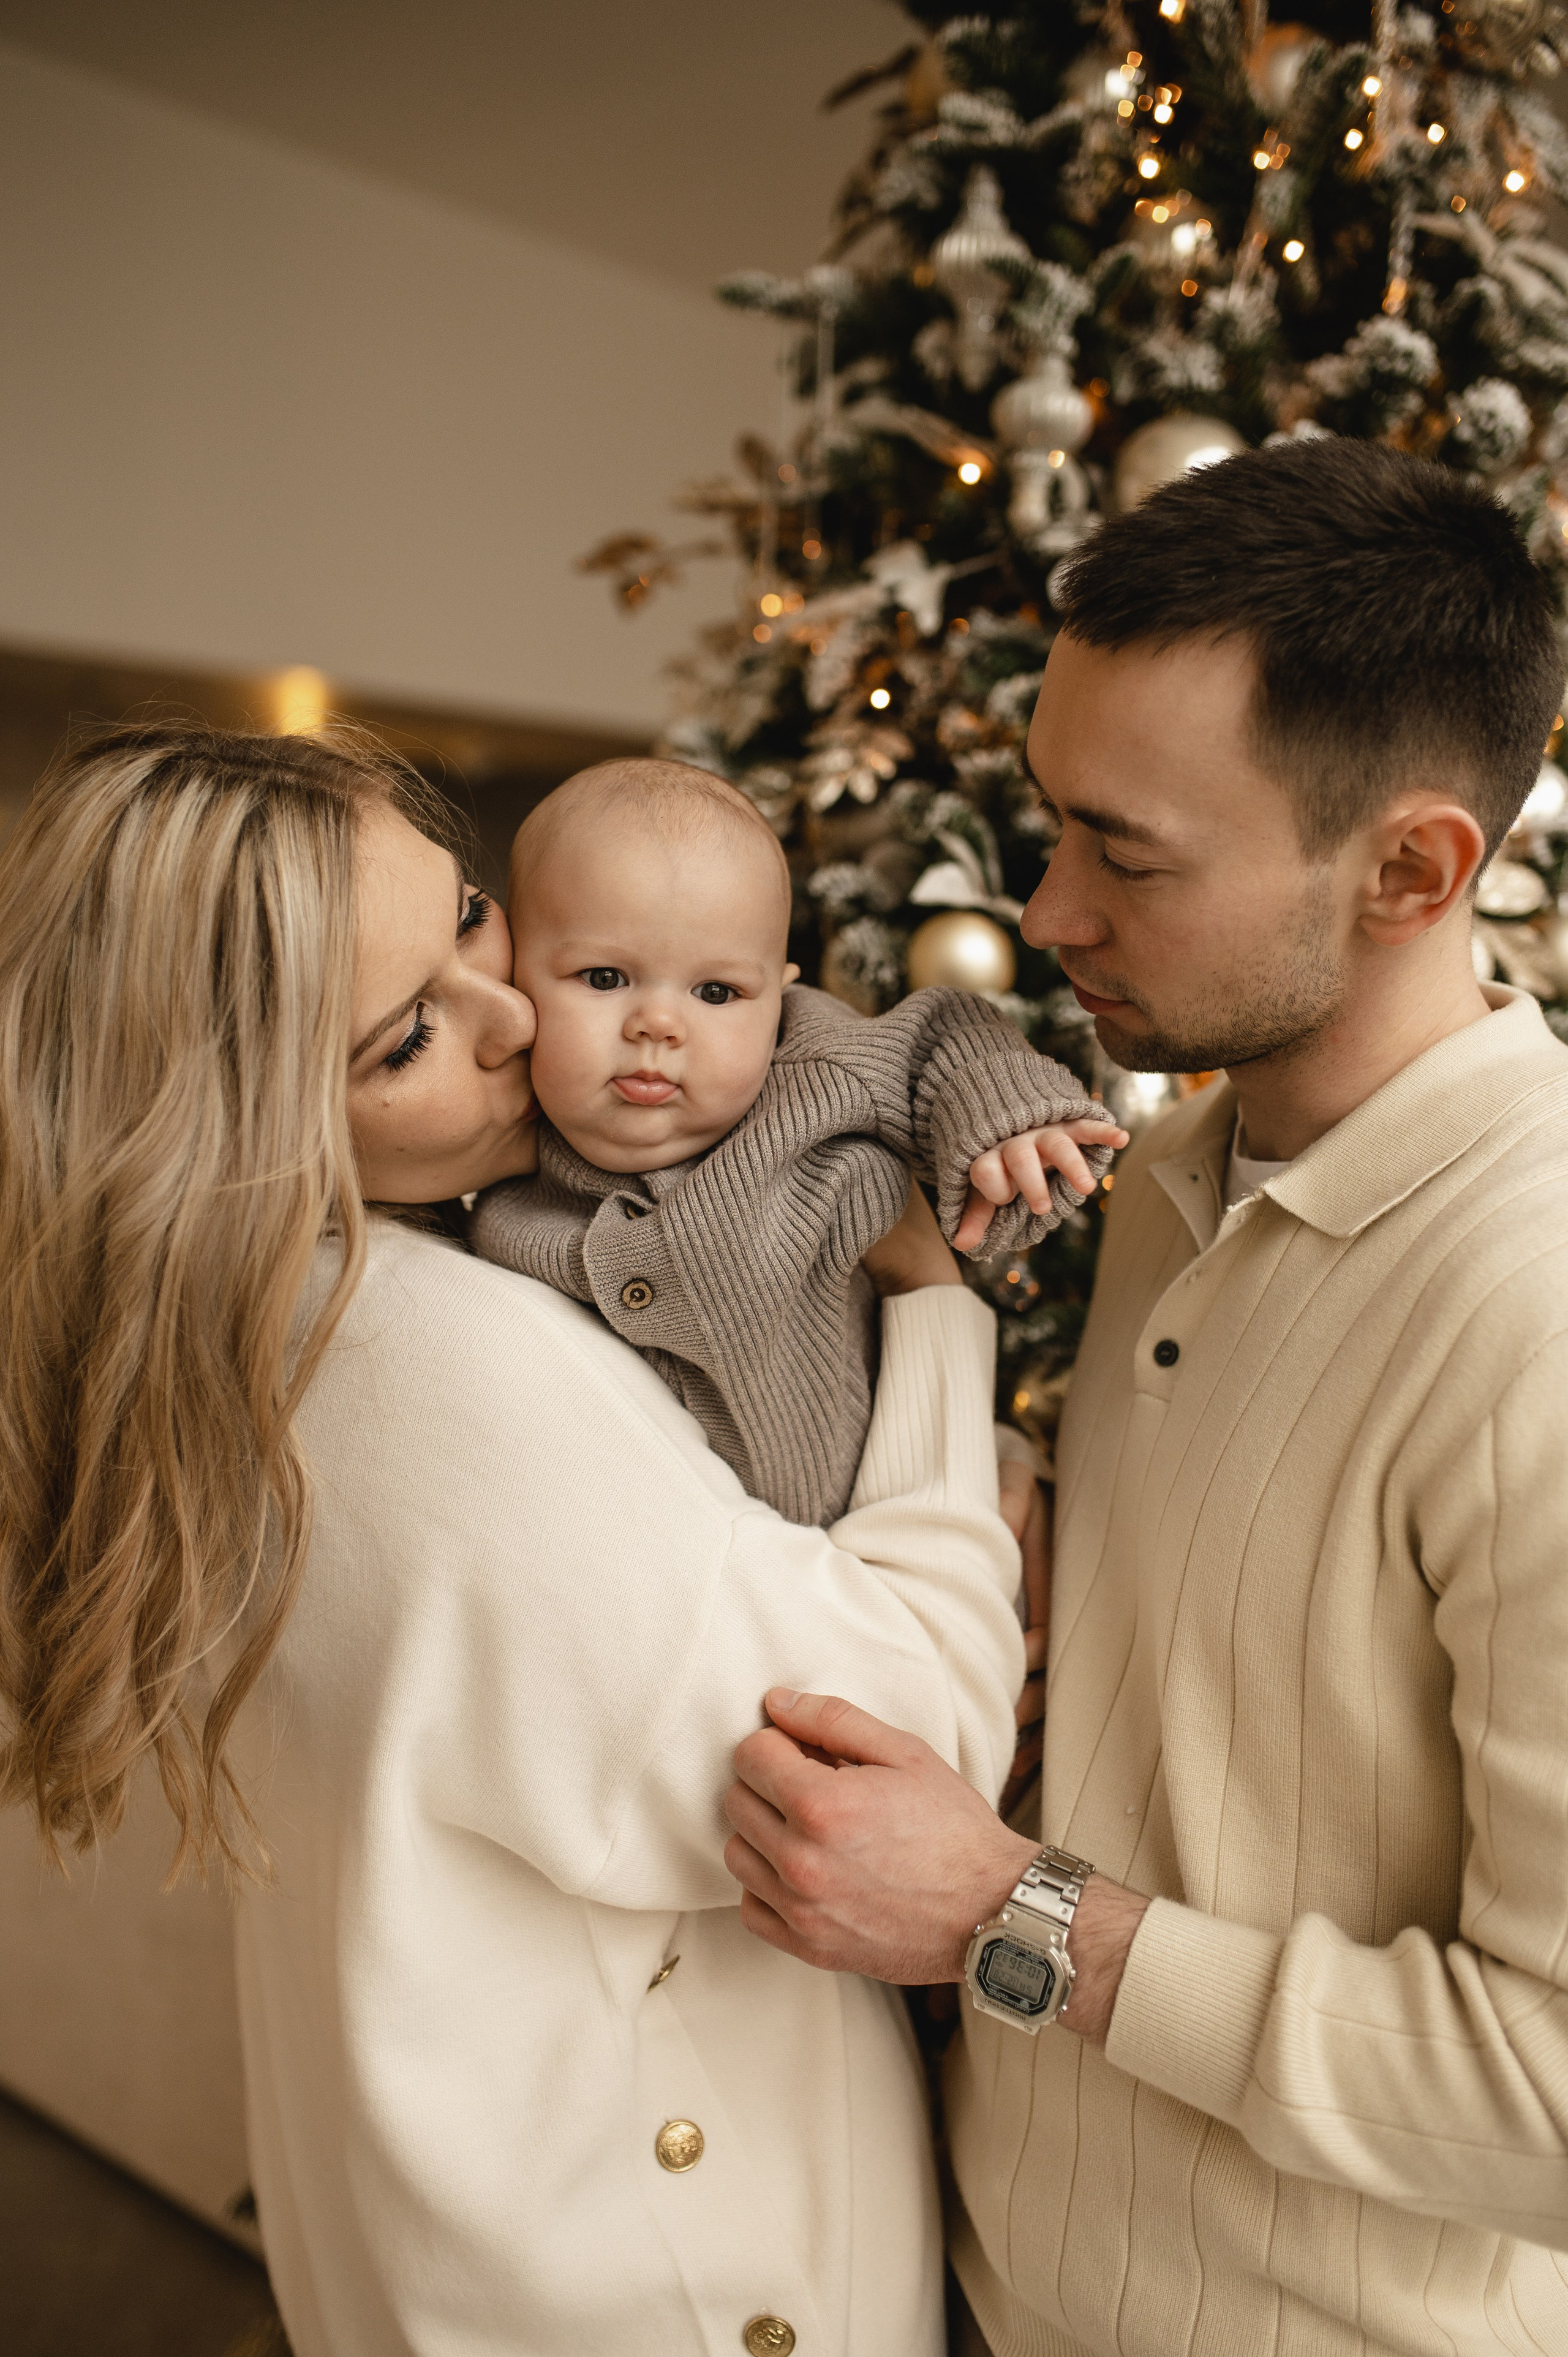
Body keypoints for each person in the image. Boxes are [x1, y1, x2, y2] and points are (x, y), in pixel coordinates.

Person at [0, 720, 1035, 2357]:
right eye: (407, 1035)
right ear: (241, 1116)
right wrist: (929, 1312)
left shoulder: (219, 1339)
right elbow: (896, 1757)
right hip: (664, 2293)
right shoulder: (428, 1367)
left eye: (470, 920)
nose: (520, 1020)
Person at [720, 438, 1568, 2355]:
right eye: (1051, 821)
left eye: (1127, 849)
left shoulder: (1541, 1306)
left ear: (1414, 867)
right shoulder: (1160, 1178)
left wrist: (1016, 1916)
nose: (1043, 906)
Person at [470, 756, 1125, 1525]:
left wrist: (1013, 1122)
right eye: (604, 977)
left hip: (882, 1536)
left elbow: (941, 1036)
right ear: (517, 982)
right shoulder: (499, 1180)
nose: (658, 1023)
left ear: (777, 994)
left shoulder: (810, 1072)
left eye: (717, 992)